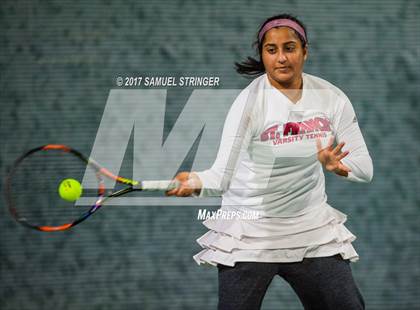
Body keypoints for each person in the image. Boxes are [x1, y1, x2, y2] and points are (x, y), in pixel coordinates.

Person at [167, 14, 372, 310]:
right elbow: (220, 178)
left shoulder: (331, 98)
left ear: (305, 51)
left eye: (289, 48)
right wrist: (195, 182)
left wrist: (339, 166)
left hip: (309, 227)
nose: (281, 58)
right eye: (271, 50)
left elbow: (365, 169)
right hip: (250, 232)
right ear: (262, 54)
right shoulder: (248, 105)